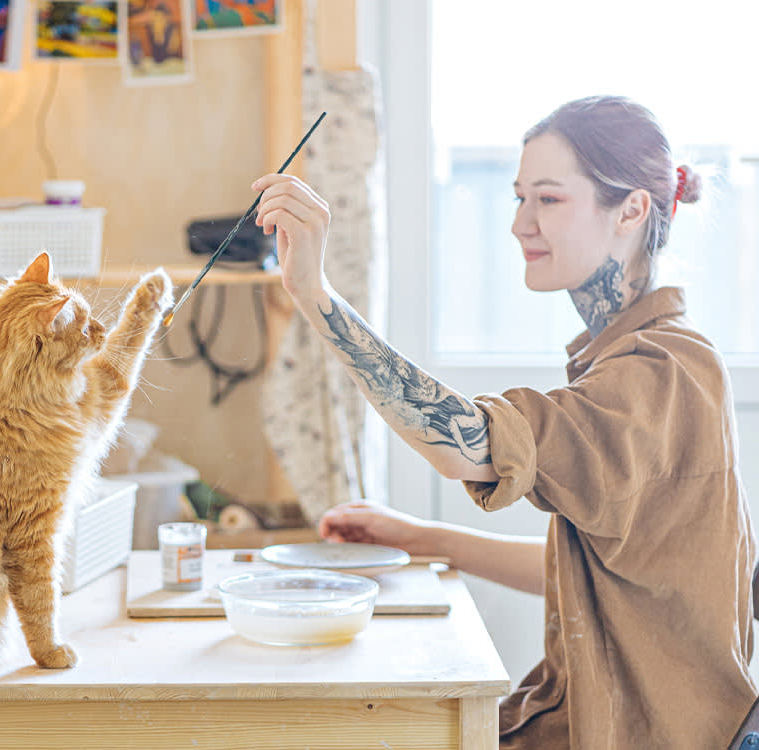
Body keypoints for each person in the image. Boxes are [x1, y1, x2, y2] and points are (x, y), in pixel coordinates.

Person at [252, 95, 757, 749]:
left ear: (631, 210)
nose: (520, 224)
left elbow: (468, 442)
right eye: (520, 198)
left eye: (548, 200)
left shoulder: (660, 372)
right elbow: (600, 571)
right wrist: (423, 537)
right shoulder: (635, 356)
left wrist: (317, 297)